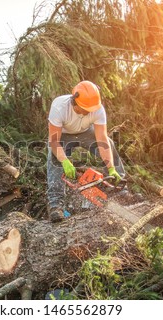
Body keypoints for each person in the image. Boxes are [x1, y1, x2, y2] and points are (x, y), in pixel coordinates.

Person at [47, 80, 126, 222]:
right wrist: (64, 161)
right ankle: (56, 205)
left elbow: (102, 139)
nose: (88, 112)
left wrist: (111, 167)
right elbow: (53, 140)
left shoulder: (97, 108)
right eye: (84, 109)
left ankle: (119, 186)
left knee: (110, 144)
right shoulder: (59, 107)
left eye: (90, 109)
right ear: (74, 101)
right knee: (54, 158)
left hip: (85, 132)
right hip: (64, 135)